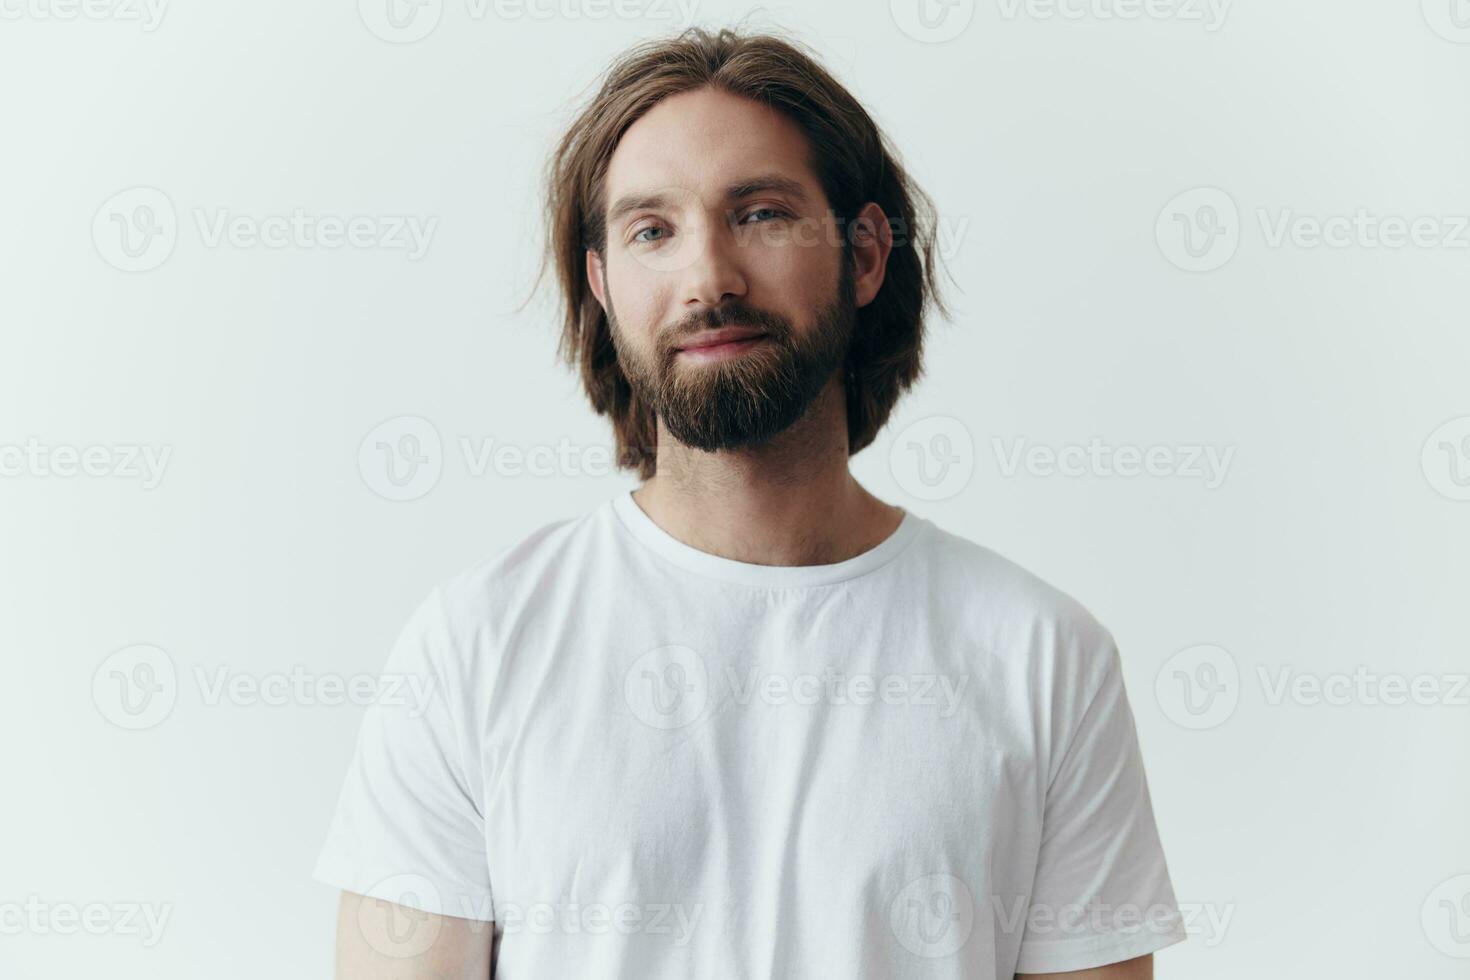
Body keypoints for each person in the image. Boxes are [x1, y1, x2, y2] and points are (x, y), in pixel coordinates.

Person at [313, 25, 1186, 979]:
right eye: (653, 230)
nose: (708, 279)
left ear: (863, 254)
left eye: (762, 215)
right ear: (603, 286)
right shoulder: (474, 647)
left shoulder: (1043, 658)